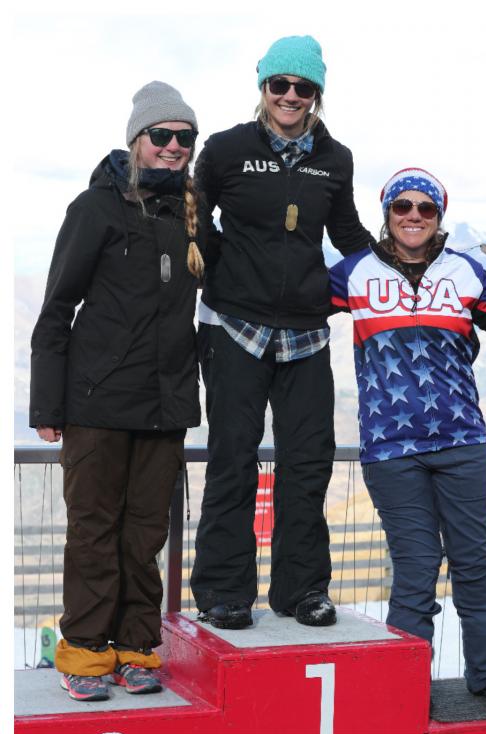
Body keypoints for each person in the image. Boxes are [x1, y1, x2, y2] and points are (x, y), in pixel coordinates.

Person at [189, 35, 374, 630]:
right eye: (280, 85)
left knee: (308, 464)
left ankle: (301, 592)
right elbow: (193, 217)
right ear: (263, 87)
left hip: (306, 334)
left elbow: (346, 232)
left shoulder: (335, 157)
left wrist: (409, 270)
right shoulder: (223, 150)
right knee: (232, 460)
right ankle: (224, 593)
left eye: (303, 87)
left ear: (317, 93)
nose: (290, 96)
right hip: (232, 329)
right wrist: (222, 268)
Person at [329, 167, 486, 704]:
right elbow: (290, 309)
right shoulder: (354, 273)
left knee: (475, 564)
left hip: (463, 442)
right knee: (415, 571)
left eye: (426, 208)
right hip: (390, 452)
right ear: (387, 215)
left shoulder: (465, 271)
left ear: (439, 217)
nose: (414, 216)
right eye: (403, 208)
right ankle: (405, 682)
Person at [29, 82, 205, 700]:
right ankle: (83, 654)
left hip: (164, 406)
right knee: (95, 532)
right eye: (163, 135)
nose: (174, 146)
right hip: (95, 403)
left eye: (186, 137)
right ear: (137, 139)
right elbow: (56, 309)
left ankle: (136, 649)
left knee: (145, 533)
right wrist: (48, 406)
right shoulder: (95, 208)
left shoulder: (192, 212)